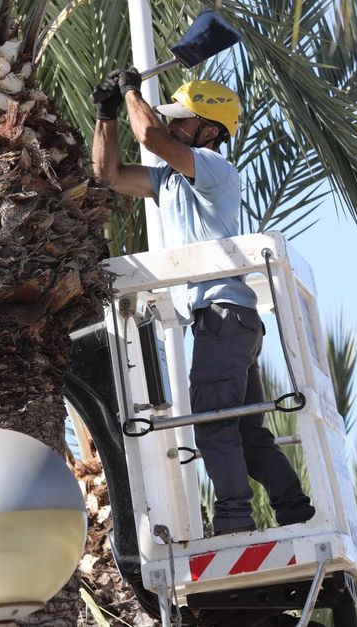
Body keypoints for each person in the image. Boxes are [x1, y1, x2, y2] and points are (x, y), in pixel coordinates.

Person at [91, 68, 315, 535]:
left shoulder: (213, 168)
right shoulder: (170, 182)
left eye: (183, 121)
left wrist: (132, 90)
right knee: (247, 432)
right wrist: (106, 114)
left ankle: (234, 521)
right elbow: (107, 176)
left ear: (210, 131)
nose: (173, 126)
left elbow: (150, 134)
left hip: (222, 318)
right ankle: (294, 510)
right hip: (229, 322)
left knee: (213, 422)